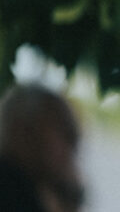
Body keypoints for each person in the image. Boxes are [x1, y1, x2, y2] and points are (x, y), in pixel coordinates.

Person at [0, 84, 84, 212]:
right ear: (22, 131)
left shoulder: (34, 191)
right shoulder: (11, 192)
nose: (72, 146)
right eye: (62, 130)